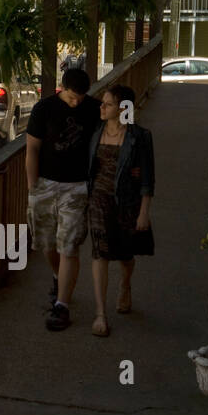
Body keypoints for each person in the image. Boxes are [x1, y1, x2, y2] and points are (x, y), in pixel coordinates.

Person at [25, 66, 102, 331]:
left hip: (77, 186)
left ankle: (62, 306)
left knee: (69, 244)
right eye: (72, 97)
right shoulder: (43, 109)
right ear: (62, 88)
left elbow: (117, 128)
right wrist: (32, 186)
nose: (76, 102)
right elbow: (32, 149)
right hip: (45, 184)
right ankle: (58, 277)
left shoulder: (94, 108)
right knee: (47, 243)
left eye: (81, 97)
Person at [86, 84, 155, 337]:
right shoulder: (96, 131)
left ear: (123, 108)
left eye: (108, 104)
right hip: (98, 200)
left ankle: (125, 285)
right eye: (102, 103)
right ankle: (100, 313)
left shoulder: (139, 137)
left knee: (125, 255)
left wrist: (144, 212)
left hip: (127, 201)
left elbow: (148, 178)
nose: (101, 107)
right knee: (99, 253)